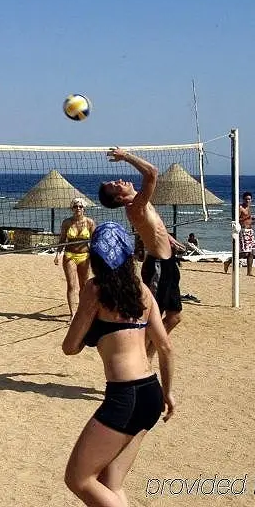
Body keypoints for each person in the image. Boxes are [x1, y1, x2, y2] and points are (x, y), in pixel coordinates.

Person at [61, 222, 175, 504]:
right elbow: (165, 347)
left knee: (78, 478)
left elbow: (70, 347)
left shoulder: (95, 290)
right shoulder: (142, 291)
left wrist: (91, 330)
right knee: (110, 482)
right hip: (150, 393)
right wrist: (168, 393)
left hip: (125, 396)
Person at [98, 148, 184, 358]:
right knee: (151, 321)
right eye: (115, 185)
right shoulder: (135, 206)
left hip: (168, 263)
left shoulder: (140, 201)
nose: (119, 180)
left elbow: (152, 224)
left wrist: (166, 236)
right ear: (119, 198)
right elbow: (152, 172)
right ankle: (140, 362)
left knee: (174, 317)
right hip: (157, 268)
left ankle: (148, 357)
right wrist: (126, 156)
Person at [54, 198, 97, 317]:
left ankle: (81, 311)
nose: (78, 208)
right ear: (72, 209)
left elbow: (95, 241)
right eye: (75, 206)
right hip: (70, 256)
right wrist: (57, 255)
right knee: (72, 285)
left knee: (84, 285)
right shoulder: (67, 222)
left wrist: (97, 256)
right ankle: (73, 314)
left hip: (85, 256)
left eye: (80, 206)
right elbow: (62, 240)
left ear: (84, 209)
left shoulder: (90, 222)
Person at [224, 191, 255, 276]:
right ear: (243, 199)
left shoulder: (249, 207)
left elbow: (249, 220)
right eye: (246, 199)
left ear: (251, 200)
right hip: (243, 231)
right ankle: (229, 261)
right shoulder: (240, 208)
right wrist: (246, 219)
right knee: (245, 252)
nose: (247, 201)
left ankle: (249, 272)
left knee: (252, 252)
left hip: (250, 231)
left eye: (249, 199)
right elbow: (236, 220)